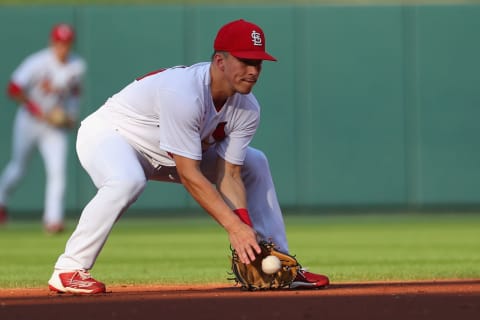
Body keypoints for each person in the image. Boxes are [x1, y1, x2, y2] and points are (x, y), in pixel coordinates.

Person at [47, 19, 329, 294]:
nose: (253, 70)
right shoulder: (184, 93)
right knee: (127, 180)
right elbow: (189, 174)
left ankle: (279, 264)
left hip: (166, 153)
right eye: (245, 60)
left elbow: (229, 174)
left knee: (255, 162)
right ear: (220, 61)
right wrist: (233, 227)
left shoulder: (248, 108)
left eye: (258, 63)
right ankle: (69, 268)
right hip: (113, 136)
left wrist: (246, 230)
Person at [0, 23, 86, 233]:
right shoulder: (36, 62)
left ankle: (53, 220)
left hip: (54, 127)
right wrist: (38, 111)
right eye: (59, 42)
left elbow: (75, 91)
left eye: (66, 43)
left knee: (57, 172)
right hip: (29, 121)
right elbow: (13, 88)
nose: (63, 47)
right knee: (18, 168)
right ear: (52, 42)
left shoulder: (77, 65)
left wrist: (71, 115)